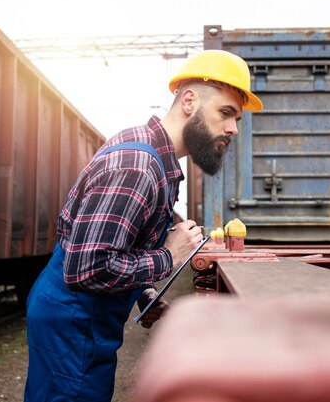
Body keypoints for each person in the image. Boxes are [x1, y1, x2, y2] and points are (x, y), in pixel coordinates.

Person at [23, 49, 264, 402]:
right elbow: (87, 268)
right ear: (189, 100)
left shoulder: (154, 157)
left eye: (237, 120)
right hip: (73, 325)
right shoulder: (138, 165)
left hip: (80, 320)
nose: (232, 128)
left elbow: (118, 245)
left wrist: (144, 293)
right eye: (225, 113)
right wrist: (169, 257)